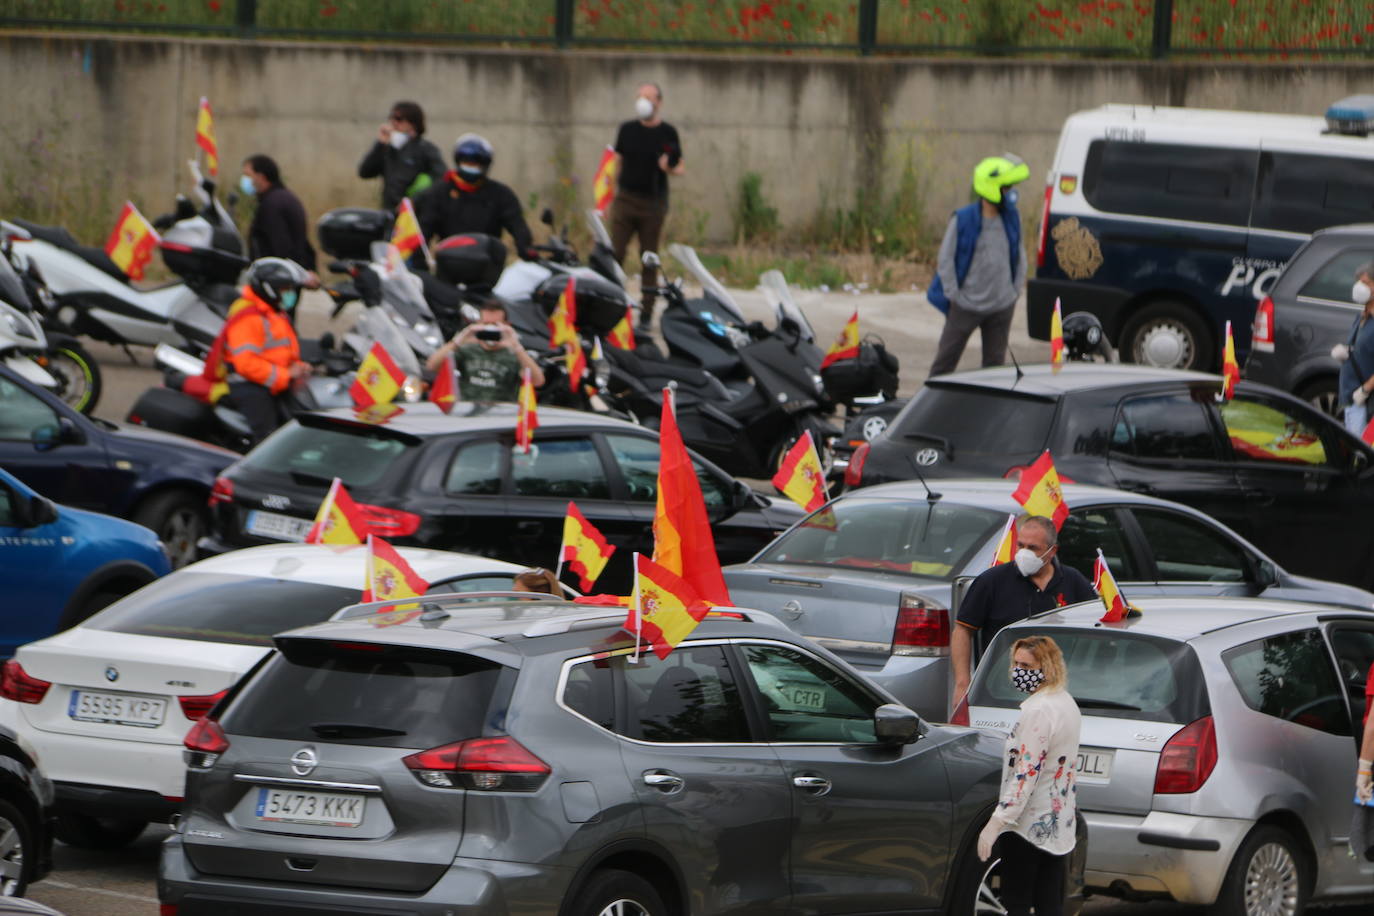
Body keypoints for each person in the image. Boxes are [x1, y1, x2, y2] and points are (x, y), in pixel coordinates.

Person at [976, 635, 1081, 916]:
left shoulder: (1038, 710)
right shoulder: (1066, 702)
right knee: (1049, 901)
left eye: (1026, 665)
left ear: (1046, 667)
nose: (1018, 671)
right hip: (1057, 822)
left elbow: (1026, 772)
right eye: (1016, 663)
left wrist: (998, 821)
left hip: (1026, 824)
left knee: (1017, 901)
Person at [951, 515, 1095, 709]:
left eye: (1033, 548)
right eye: (1021, 546)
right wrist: (962, 683)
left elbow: (1097, 629)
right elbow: (962, 630)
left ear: (1052, 551)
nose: (1024, 553)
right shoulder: (992, 581)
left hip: (1060, 691)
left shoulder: (1073, 581)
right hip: (1002, 693)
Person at [927, 154, 1030, 377]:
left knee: (994, 369)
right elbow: (945, 259)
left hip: (1001, 307)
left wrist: (1014, 291)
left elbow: (1020, 254)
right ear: (991, 188)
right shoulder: (962, 220)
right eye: (1006, 188)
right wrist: (954, 295)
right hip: (965, 306)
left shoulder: (1012, 217)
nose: (1011, 193)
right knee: (944, 364)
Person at [610, 82, 684, 334]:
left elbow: (680, 166)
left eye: (648, 97)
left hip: (652, 203)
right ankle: (611, 306)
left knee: (648, 258)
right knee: (615, 253)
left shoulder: (668, 132)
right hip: (625, 200)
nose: (643, 101)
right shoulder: (627, 130)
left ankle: (646, 312)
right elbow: (616, 161)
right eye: (640, 96)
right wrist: (609, 195)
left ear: (659, 102)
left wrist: (668, 167)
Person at [220, 258, 313, 444]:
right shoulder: (249, 317)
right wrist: (285, 374)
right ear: (270, 289)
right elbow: (246, 364)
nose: (289, 294)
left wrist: (300, 367)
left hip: (273, 381)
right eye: (285, 289)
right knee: (268, 440)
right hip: (250, 385)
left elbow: (281, 352)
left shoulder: (274, 313)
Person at [413, 133, 535, 260]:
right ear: (458, 161)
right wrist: (419, 262)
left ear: (486, 164)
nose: (470, 166)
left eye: (476, 163)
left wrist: (525, 248)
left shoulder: (501, 194)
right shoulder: (440, 192)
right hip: (448, 264)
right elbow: (425, 229)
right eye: (466, 161)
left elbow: (517, 225)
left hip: (488, 264)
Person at [425, 299, 544, 402]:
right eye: (486, 324)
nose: (490, 329)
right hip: (468, 411)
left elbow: (538, 381)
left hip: (501, 414)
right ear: (479, 323)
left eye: (495, 325)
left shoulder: (514, 354)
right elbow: (432, 366)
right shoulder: (468, 350)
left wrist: (516, 346)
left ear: (506, 325)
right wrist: (459, 340)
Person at [240, 155, 318, 283]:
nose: (245, 180)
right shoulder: (284, 198)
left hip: (277, 280)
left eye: (248, 175)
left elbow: (280, 246)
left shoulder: (272, 204)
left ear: (261, 177)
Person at [358, 100, 447, 211]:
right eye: (391, 118)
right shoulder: (388, 149)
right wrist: (380, 144)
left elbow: (442, 179)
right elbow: (365, 172)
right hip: (389, 212)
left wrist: (415, 200)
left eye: (399, 119)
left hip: (414, 214)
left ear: (413, 123)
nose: (393, 123)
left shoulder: (426, 150)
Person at [1333, 261, 1374, 437]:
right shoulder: (1362, 316)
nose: (1360, 287)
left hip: (1363, 402)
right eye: (1359, 282)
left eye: (1365, 283)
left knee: (1361, 455)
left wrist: (1366, 389)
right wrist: (1345, 353)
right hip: (1350, 398)